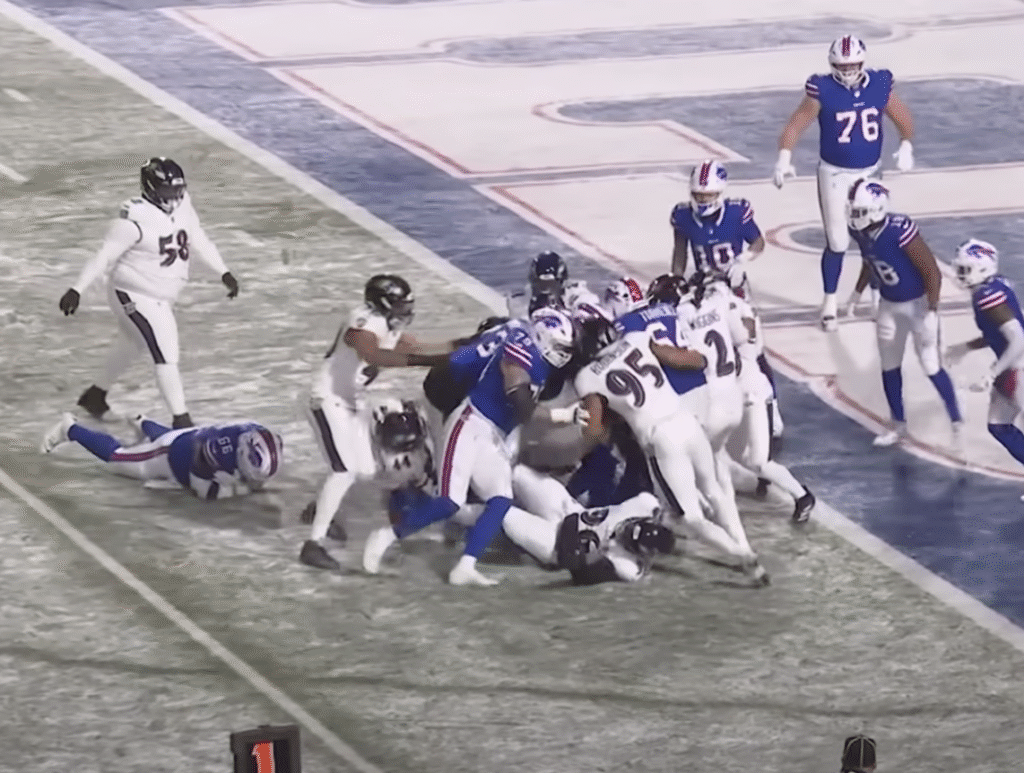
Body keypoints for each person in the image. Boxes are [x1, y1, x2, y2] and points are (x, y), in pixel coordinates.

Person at [361, 307, 586, 586]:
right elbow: (523, 405)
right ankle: (386, 535)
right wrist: (563, 416)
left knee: (500, 502)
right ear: (542, 338)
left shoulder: (533, 349)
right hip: (471, 423)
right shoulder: (520, 350)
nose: (564, 353)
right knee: (449, 501)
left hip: (494, 435)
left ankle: (465, 567)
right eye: (561, 347)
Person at [572, 315, 769, 584]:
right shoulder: (637, 339)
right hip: (685, 420)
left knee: (690, 518)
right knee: (714, 490)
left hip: (662, 438)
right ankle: (744, 545)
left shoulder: (587, 377)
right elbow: (692, 360)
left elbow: (593, 431)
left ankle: (742, 556)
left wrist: (586, 427)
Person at [57, 157, 239, 429]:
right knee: (166, 351)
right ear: (151, 188)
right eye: (167, 191)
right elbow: (104, 256)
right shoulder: (134, 220)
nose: (173, 197)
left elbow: (197, 237)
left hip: (161, 294)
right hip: (133, 293)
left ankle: (95, 396)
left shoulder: (183, 205)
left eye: (177, 190)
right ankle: (182, 421)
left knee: (132, 343)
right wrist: (77, 289)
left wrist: (223, 271)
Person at [299, 274, 452, 571]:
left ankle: (319, 509)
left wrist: (463, 346)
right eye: (400, 305)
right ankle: (313, 544)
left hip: (350, 400)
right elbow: (370, 352)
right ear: (382, 304)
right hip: (325, 398)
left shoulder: (388, 327)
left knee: (367, 469)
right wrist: (424, 361)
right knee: (345, 470)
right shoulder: (364, 320)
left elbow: (417, 347)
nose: (405, 311)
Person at [773, 34, 915, 331]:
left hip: (870, 172)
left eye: (852, 65)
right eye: (841, 65)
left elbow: (901, 115)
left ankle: (876, 297)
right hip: (835, 173)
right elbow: (796, 124)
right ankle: (830, 303)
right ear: (832, 64)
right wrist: (784, 157)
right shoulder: (822, 89)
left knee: (874, 237)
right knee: (837, 241)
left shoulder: (880, 83)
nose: (848, 71)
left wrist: (906, 144)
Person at [844, 179, 962, 447]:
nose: (854, 216)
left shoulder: (899, 229)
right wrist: (857, 292)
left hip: (918, 304)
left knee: (931, 365)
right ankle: (898, 425)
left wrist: (932, 310)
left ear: (877, 209)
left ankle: (956, 421)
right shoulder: (860, 231)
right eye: (853, 210)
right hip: (889, 304)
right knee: (889, 366)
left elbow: (931, 271)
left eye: (859, 210)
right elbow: (869, 261)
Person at [41, 413, 281, 499]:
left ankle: (142, 421)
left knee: (169, 436)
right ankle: (69, 428)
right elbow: (202, 489)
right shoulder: (216, 454)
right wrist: (239, 490)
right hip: (170, 456)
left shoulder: (254, 433)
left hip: (189, 437)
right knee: (118, 458)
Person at [947, 239, 1024, 485]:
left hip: (1018, 366)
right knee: (998, 425)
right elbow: (997, 333)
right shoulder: (990, 288)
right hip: (1011, 365)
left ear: (983, 267)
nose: (961, 274)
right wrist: (966, 347)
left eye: (966, 269)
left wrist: (993, 373)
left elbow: (1018, 339)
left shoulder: (987, 295)